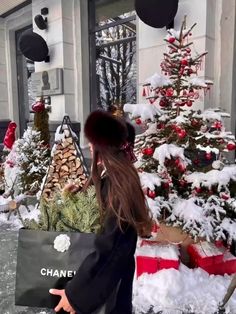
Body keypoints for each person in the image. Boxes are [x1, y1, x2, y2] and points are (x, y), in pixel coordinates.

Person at [50, 110, 152, 314]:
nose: (89, 146)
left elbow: (112, 248)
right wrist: (73, 197)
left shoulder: (118, 185)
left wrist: (76, 295)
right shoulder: (111, 178)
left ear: (102, 147)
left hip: (107, 293)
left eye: (92, 141)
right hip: (108, 287)